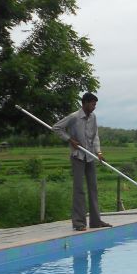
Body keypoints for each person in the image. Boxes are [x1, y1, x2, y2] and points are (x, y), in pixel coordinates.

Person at [53, 92, 111, 231]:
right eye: (92, 104)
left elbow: (95, 136)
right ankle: (79, 223)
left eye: (95, 104)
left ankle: (96, 221)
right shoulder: (74, 117)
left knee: (93, 188)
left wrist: (99, 152)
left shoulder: (93, 117)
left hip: (90, 156)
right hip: (78, 156)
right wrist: (70, 139)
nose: (94, 107)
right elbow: (56, 128)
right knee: (79, 190)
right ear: (84, 103)